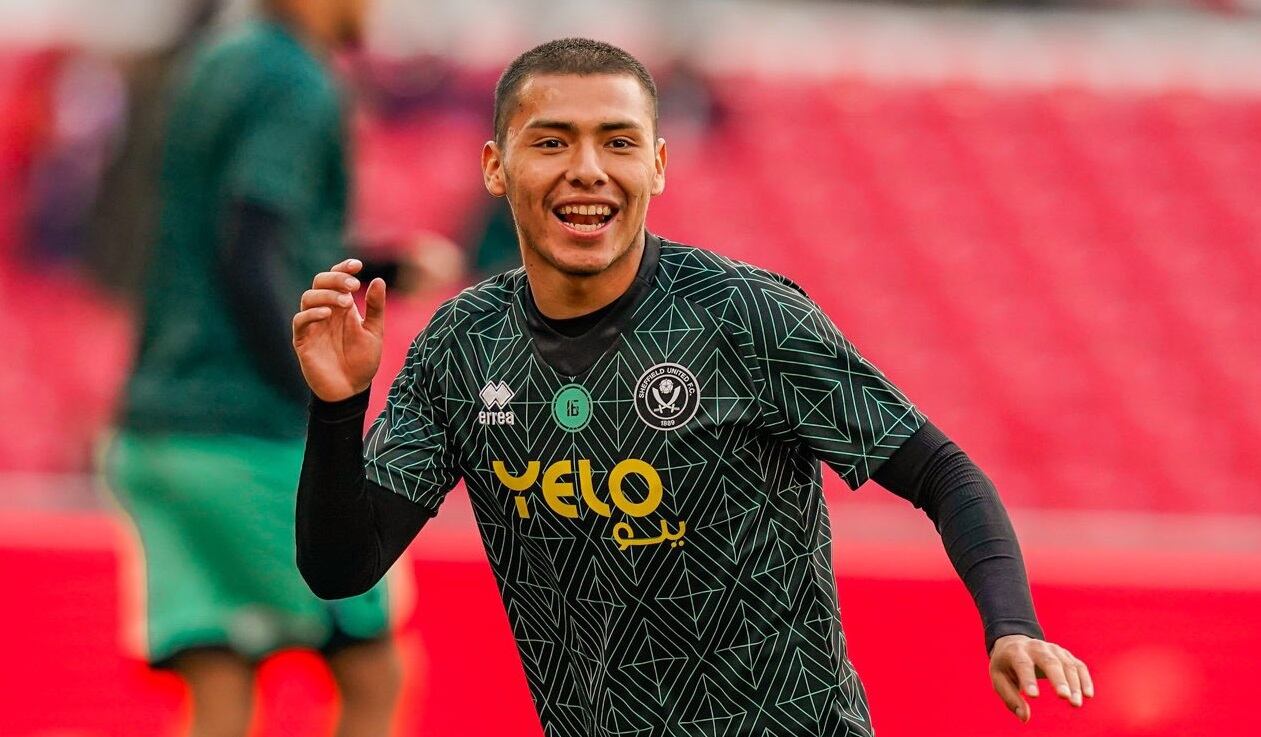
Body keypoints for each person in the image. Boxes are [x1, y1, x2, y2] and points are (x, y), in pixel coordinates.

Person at [293, 38, 1094, 735]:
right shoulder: (462, 345)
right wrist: (337, 406)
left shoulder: (743, 315)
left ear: (657, 164)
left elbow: (942, 473)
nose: (587, 170)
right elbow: (342, 566)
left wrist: (1009, 623)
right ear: (496, 167)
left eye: (617, 141)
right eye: (551, 142)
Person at [107, 2, 403, 736]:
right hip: (244, 427)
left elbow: (237, 236)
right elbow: (252, 248)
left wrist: (386, 263)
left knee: (221, 681)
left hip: (159, 430)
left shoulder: (215, 61)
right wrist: (317, 400)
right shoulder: (296, 81)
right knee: (375, 673)